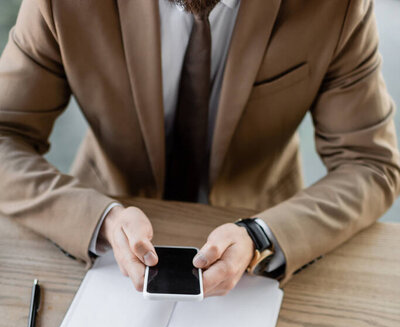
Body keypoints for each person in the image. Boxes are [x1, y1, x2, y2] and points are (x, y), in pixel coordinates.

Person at [0, 0, 399, 296]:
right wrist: (98, 219)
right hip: (106, 220)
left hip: (264, 229)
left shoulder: (338, 6)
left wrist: (261, 236)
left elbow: (371, 164)